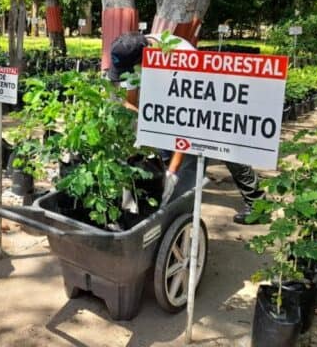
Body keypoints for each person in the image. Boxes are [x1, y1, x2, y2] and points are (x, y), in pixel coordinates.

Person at [108, 32, 265, 224]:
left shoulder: (180, 55)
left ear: (147, 55)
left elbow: (187, 127)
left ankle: (258, 204)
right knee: (162, 145)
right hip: (169, 97)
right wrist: (144, 132)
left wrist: (172, 173)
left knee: (225, 146)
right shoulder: (133, 55)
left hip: (206, 99)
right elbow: (131, 103)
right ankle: (162, 187)